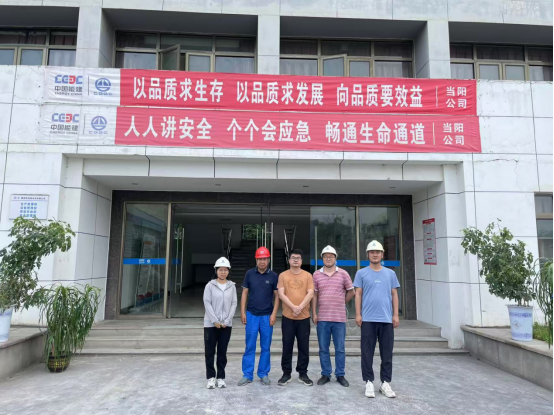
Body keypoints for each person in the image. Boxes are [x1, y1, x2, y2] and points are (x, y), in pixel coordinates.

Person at [354, 241, 400, 399]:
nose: (375, 254)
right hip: (368, 319)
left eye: (378, 252)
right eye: (372, 252)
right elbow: (358, 294)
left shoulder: (390, 273)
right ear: (368, 254)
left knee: (387, 353)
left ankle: (385, 383)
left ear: (382, 254)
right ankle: (368, 382)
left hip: (386, 319)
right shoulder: (361, 273)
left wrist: (395, 314)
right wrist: (358, 314)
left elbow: (394, 294)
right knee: (367, 352)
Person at [312, 246, 356, 388]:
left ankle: (340, 374)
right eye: (326, 256)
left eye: (331, 256)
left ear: (335, 258)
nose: (328, 258)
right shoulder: (316, 275)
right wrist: (314, 313)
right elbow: (314, 295)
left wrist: (341, 302)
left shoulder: (343, 274)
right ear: (322, 259)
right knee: (323, 348)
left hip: (339, 318)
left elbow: (352, 292)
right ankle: (325, 374)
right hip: (323, 318)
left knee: (340, 349)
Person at [238, 247, 280, 386]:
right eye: (260, 259)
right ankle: (247, 374)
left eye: (265, 259)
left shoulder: (273, 276)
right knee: (250, 346)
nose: (262, 262)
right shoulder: (249, 274)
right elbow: (244, 293)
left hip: (267, 316)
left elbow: (277, 296)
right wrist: (242, 312)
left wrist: (274, 314)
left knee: (266, 347)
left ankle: (263, 373)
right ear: (256, 260)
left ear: (268, 260)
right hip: (252, 315)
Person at [277, 249, 315, 387]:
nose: (295, 260)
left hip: (304, 317)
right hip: (288, 317)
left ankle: (303, 373)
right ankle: (286, 373)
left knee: (303, 347)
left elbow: (310, 293)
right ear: (289, 260)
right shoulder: (283, 275)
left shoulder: (308, 275)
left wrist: (299, 307)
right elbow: (281, 294)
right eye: (293, 257)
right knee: (287, 345)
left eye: (298, 258)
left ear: (301, 261)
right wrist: (293, 307)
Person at [203, 257, 238, 390]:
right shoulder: (210, 286)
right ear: (216, 271)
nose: (223, 272)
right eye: (220, 270)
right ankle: (211, 377)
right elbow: (207, 303)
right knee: (210, 352)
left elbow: (234, 303)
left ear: (228, 271)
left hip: (226, 325)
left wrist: (227, 321)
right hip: (210, 325)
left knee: (222, 352)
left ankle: (221, 377)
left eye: (225, 270)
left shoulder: (232, 286)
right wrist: (215, 321)